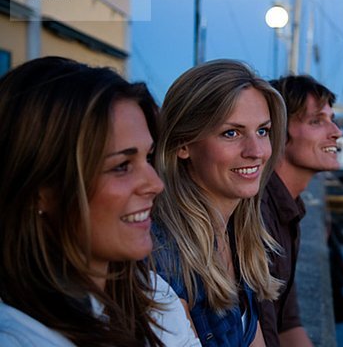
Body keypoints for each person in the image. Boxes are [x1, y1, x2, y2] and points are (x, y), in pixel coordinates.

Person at [0, 57, 200, 346]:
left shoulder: (155, 297)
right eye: (121, 166)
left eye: (148, 158)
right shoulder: (18, 337)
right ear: (38, 189)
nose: (156, 185)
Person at [152, 59, 287, 347]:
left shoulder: (239, 236)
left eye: (263, 131)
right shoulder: (164, 257)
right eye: (231, 133)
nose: (256, 151)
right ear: (183, 144)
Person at [258, 74, 343, 347]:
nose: (336, 131)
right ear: (279, 132)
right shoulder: (258, 216)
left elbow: (288, 322)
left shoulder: (288, 208)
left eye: (331, 119)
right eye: (317, 121)